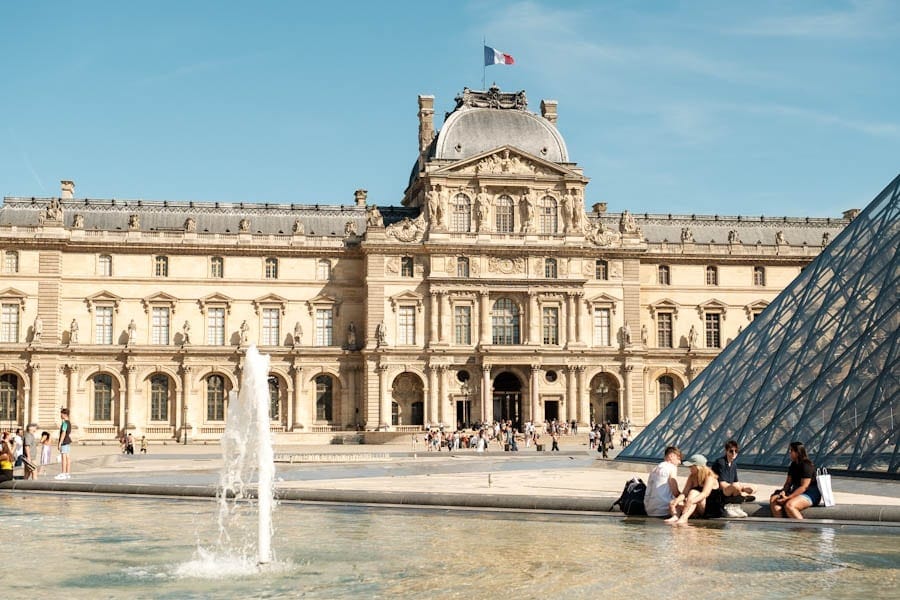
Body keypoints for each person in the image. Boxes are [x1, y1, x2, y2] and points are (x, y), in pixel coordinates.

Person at [770, 441, 821, 519]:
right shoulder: (793, 465)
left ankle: (802, 529)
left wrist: (788, 498)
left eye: (791, 451)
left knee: (790, 505)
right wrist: (783, 492)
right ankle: (781, 526)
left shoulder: (807, 465)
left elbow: (804, 487)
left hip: (810, 494)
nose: (789, 453)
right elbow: (788, 483)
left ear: (797, 452)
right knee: (774, 499)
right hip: (796, 491)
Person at [665, 454, 719, 524]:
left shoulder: (709, 476)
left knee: (693, 493)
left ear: (698, 467)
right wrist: (676, 501)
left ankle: (684, 518)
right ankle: (676, 516)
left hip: (710, 509)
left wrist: (691, 501)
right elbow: (684, 493)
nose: (689, 468)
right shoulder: (692, 477)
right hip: (697, 507)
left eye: (691, 466)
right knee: (678, 502)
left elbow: (705, 494)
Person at [711, 440, 757, 518]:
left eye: (736, 451)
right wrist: (740, 489)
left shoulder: (733, 464)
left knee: (754, 488)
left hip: (730, 489)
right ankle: (729, 507)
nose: (734, 453)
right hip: (719, 492)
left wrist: (744, 489)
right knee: (736, 487)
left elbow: (736, 481)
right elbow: (722, 484)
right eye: (731, 451)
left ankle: (736, 505)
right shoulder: (720, 462)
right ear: (726, 451)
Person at [644, 446, 683, 517]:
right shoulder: (671, 467)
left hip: (650, 510)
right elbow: (675, 492)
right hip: (664, 509)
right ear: (671, 456)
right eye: (678, 459)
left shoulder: (655, 469)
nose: (680, 462)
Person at [55, 408, 73, 480]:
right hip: (68, 441)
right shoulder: (69, 422)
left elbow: (63, 433)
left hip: (64, 441)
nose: (60, 415)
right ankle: (67, 473)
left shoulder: (65, 423)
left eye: (61, 414)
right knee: (68, 458)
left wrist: (60, 443)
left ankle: (63, 473)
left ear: (64, 414)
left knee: (63, 457)